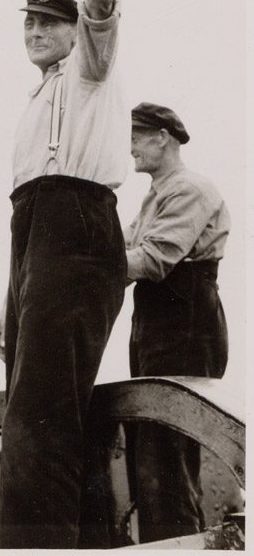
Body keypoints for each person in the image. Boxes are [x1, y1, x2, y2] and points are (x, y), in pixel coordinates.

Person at [0, 0, 158, 549]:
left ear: (72, 31)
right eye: (28, 21)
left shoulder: (88, 72)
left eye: (48, 21)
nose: (35, 30)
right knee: (28, 404)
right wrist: (10, 298)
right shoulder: (35, 102)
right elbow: (26, 213)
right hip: (35, 236)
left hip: (77, 227)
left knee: (41, 415)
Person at [125, 102, 229, 542]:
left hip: (185, 318)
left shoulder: (189, 189)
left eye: (134, 137)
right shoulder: (156, 195)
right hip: (156, 320)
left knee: (169, 454)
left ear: (162, 136)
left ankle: (179, 546)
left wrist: (85, 268)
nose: (128, 148)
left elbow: (153, 259)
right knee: (151, 451)